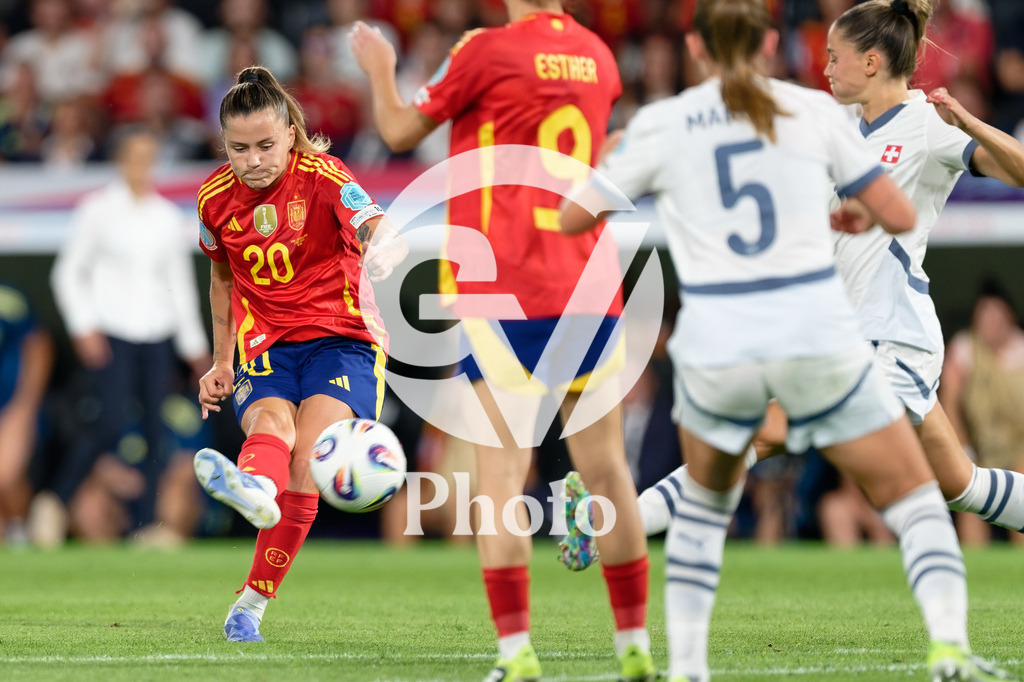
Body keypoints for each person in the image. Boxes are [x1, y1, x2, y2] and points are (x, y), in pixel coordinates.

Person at [559, 0, 1012, 679]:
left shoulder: (925, 124)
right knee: (959, 484)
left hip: (890, 335)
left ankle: (606, 522)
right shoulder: (827, 126)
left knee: (756, 437)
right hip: (828, 331)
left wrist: (971, 123)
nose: (823, 67)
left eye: (833, 56)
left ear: (873, 60)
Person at [351, 3, 657, 680]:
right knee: (609, 471)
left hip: (503, 285)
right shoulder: (600, 58)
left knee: (500, 473)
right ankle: (633, 642)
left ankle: (517, 654)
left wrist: (380, 70)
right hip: (588, 282)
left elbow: (399, 129)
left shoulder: (486, 51)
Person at [191, 65, 404, 643]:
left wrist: (383, 251)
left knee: (307, 460)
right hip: (266, 338)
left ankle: (250, 605)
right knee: (267, 421)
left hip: (344, 337)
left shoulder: (325, 175)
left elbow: (374, 225)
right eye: (239, 148)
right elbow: (222, 277)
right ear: (223, 144)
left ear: (290, 133)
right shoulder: (213, 200)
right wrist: (220, 360)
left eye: (265, 145)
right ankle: (257, 492)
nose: (253, 159)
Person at [43, 126, 211, 547]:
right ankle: (53, 502)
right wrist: (84, 326)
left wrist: (194, 349)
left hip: (156, 334)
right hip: (111, 331)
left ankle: (147, 527)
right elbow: (67, 273)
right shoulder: (97, 210)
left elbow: (180, 286)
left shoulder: (165, 217)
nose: (142, 166)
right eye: (135, 157)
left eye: (149, 157)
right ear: (121, 161)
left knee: (156, 429)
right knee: (112, 421)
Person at [941, 278, 1024, 546]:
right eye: (984, 316)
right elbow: (948, 403)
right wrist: (963, 449)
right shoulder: (965, 348)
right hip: (982, 454)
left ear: (1009, 317)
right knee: (971, 497)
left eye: (996, 316)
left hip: (1020, 451)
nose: (990, 324)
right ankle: (976, 577)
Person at [0, 281, 53, 545]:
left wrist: (23, 409)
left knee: (5, 474)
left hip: (11, 408)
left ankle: (20, 532)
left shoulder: (7, 297)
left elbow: (39, 347)